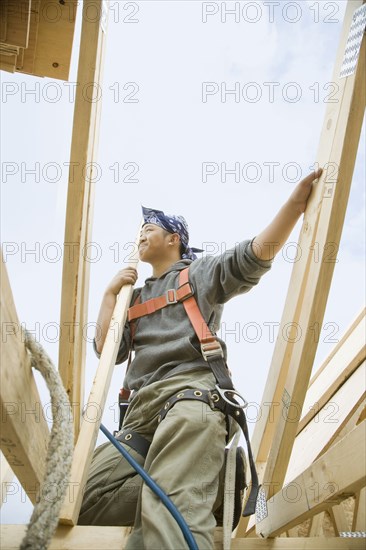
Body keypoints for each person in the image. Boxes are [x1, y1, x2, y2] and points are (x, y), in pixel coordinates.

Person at [78, 168, 323, 549]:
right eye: (140, 229)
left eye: (150, 228)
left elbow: (249, 259)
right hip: (141, 415)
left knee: (168, 514)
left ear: (173, 239)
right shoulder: (135, 297)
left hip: (189, 397)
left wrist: (293, 206)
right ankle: (211, 484)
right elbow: (107, 350)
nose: (141, 232)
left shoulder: (198, 273)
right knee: (81, 501)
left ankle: (184, 493)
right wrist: (110, 296)